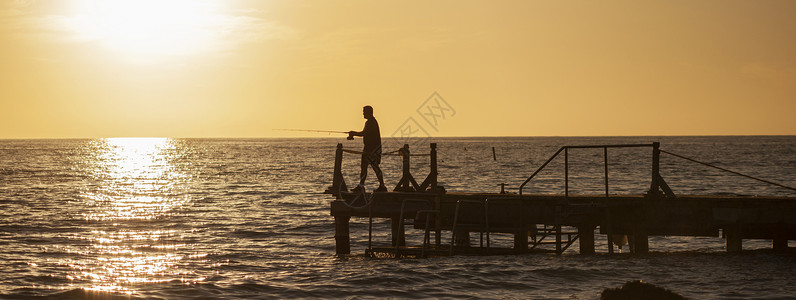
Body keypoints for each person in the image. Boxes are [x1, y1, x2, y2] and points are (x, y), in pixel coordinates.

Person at [348, 105, 387, 192]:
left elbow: (364, 133)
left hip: (372, 149)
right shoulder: (370, 122)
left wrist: (353, 133)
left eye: (364, 112)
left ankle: (382, 186)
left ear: (369, 112)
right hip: (369, 149)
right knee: (365, 167)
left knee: (374, 167)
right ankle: (362, 186)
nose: (363, 114)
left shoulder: (371, 122)